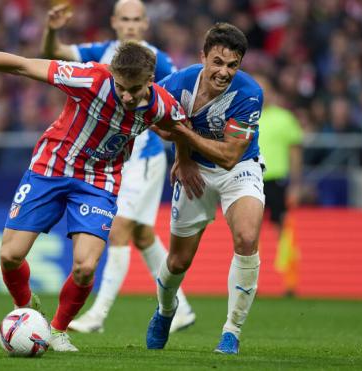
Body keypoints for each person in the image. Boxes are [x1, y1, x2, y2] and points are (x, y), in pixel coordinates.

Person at [0, 38, 187, 351]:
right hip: (50, 169)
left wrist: (184, 159)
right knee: (10, 256)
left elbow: (181, 128)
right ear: (112, 73)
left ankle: (56, 330)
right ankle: (28, 310)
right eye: (120, 86)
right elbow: (22, 64)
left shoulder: (161, 104)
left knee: (85, 268)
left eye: (134, 89)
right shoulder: (91, 79)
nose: (125, 95)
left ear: (150, 81)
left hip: (99, 181)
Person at [41, 0, 195, 334]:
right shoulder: (101, 51)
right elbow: (54, 51)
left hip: (143, 157)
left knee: (119, 229)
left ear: (145, 24)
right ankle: (180, 308)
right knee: (141, 234)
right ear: (114, 22)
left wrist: (179, 150)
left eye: (136, 20)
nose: (130, 25)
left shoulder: (160, 60)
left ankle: (98, 315)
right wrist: (53, 27)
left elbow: (175, 109)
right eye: (124, 19)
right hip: (110, 159)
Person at [146, 23, 265, 355]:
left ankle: (232, 331)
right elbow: (159, 122)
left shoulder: (249, 93)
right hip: (195, 170)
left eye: (232, 65)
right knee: (178, 261)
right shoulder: (178, 83)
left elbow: (229, 156)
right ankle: (165, 311)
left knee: (246, 237)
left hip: (239, 170)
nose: (224, 72)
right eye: (218, 62)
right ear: (203, 57)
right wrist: (182, 157)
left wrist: (182, 137)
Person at [255, 73, 303, 297]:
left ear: (272, 92)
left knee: (283, 228)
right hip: (251, 178)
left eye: (263, 88)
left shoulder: (285, 118)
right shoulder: (246, 117)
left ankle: (289, 281)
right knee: (249, 230)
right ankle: (251, 281)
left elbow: (295, 153)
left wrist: (295, 184)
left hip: (276, 180)